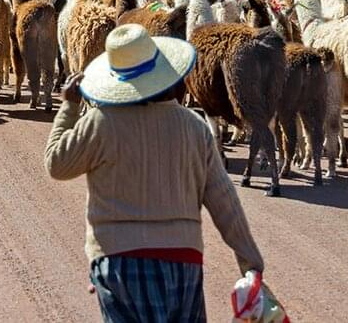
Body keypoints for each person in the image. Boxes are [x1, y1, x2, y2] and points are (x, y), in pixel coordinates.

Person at [45, 23, 264, 322]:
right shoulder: (194, 128)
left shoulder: (100, 123)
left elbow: (57, 163)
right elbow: (223, 200)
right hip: (182, 260)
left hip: (118, 261)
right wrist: (250, 261)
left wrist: (69, 108)